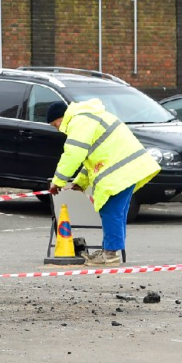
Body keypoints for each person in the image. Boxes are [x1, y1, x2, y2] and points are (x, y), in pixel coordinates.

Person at [46, 99, 160, 266]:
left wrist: (58, 182)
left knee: (111, 211)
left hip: (119, 171)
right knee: (116, 213)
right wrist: (81, 182)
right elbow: (92, 157)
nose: (57, 129)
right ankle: (110, 250)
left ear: (61, 118)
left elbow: (74, 154)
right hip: (127, 168)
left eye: (55, 125)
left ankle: (110, 255)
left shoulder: (79, 121)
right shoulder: (88, 117)